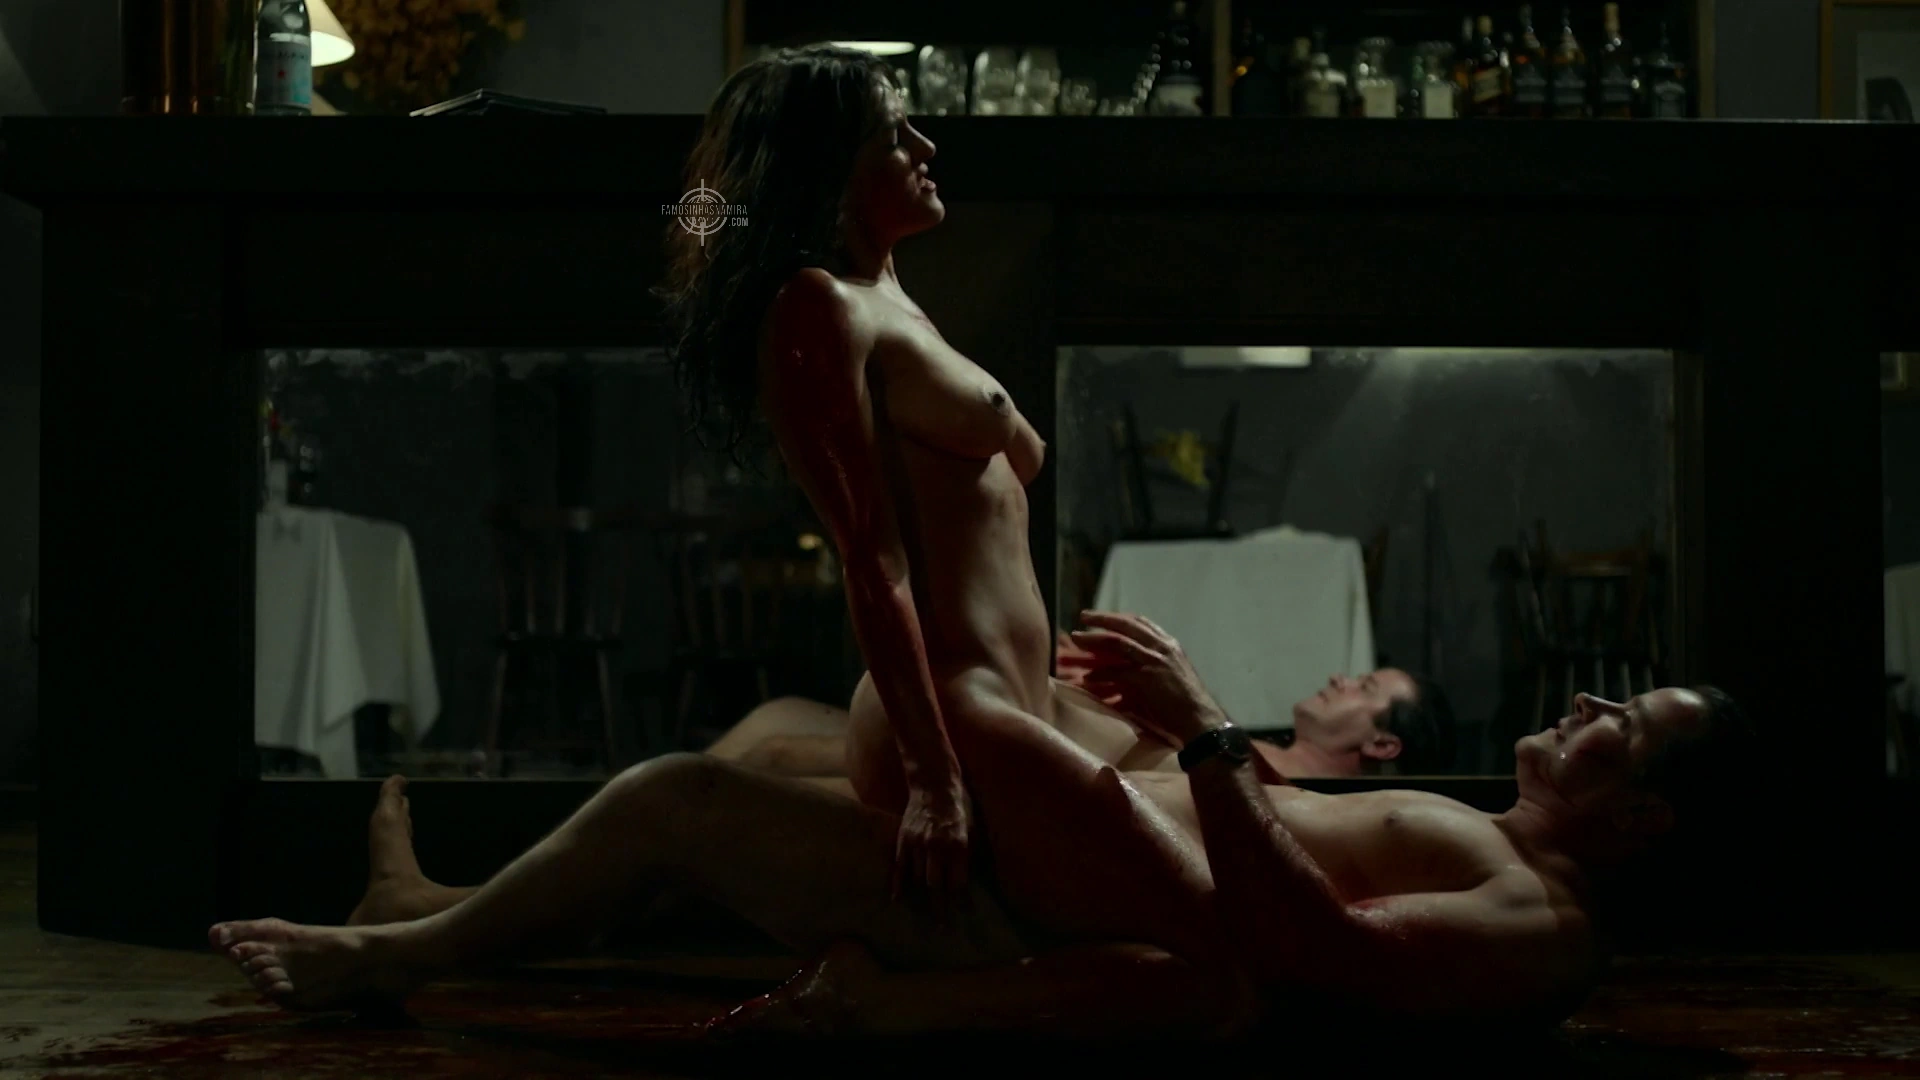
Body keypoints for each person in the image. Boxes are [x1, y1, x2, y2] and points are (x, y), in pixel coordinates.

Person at [209, 610, 1755, 1038]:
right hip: (1077, 874)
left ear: (1639, 821)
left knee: (699, 795)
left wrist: (1205, 736)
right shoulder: (1491, 837)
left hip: (1067, 924)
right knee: (714, 796)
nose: (1581, 707)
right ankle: (419, 928)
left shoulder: (1539, 924)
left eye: (1617, 726)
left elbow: (1290, 952)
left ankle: (386, 956)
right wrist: (1167, 748)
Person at [706, 639, 1457, 779]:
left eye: (1366, 688)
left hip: (998, 769)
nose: (1341, 679)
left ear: (1383, 745)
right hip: (1012, 723)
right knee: (778, 715)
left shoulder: (1274, 788)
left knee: (771, 757)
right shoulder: (1251, 746)